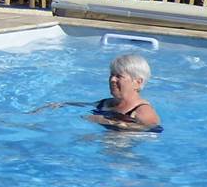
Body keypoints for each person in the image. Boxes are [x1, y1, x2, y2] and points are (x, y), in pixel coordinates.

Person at [34, 51, 164, 132]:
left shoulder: (143, 111)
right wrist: (60, 104)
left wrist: (107, 121)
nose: (112, 79)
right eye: (112, 75)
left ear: (138, 82)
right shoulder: (107, 103)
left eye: (119, 76)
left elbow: (154, 130)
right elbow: (85, 105)